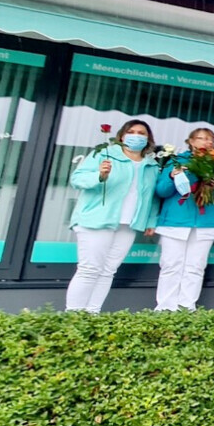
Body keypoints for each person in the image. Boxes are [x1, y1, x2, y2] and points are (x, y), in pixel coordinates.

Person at [66, 119, 160, 313]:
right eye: (131, 131)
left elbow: (152, 197)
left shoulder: (151, 165)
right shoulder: (104, 154)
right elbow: (77, 179)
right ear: (122, 136)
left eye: (141, 133)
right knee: (90, 269)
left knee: (108, 271)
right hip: (97, 220)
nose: (136, 135)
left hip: (128, 224)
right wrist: (99, 176)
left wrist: (150, 221)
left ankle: (92, 314)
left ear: (148, 138)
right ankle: (73, 317)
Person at [154, 128, 214, 311]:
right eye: (201, 138)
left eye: (210, 139)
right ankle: (165, 307)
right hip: (175, 222)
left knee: (196, 267)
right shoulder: (177, 161)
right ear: (190, 141)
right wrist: (172, 176)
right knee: (171, 265)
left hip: (206, 223)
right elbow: (161, 191)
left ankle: (186, 306)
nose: (206, 142)